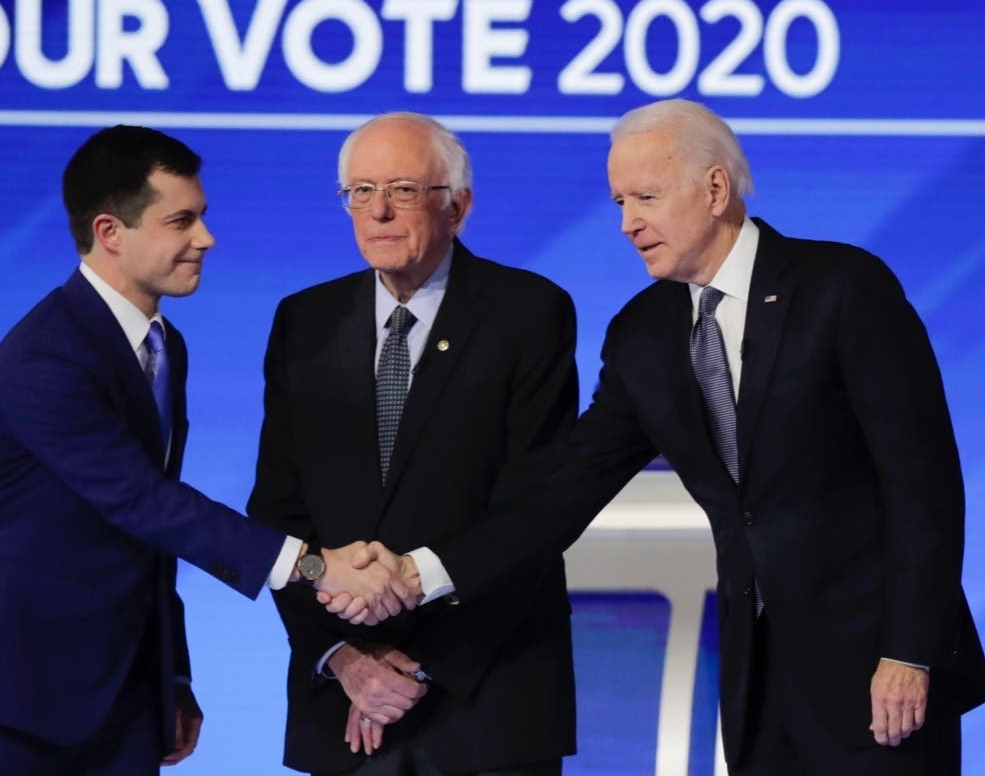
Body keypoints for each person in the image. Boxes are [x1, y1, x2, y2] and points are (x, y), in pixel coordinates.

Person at [338, 100, 985, 775]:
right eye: (618, 201)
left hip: (877, 669)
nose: (626, 223)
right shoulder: (643, 334)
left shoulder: (841, 289)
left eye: (644, 196)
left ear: (714, 189)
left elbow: (923, 484)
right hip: (755, 683)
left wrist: (908, 651)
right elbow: (562, 489)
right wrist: (421, 571)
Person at [0, 125, 408, 776]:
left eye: (202, 217)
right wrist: (317, 565)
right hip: (2, 695)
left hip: (120, 696)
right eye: (181, 220)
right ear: (110, 231)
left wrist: (170, 673)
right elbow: (142, 500)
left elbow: (148, 539)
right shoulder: (48, 354)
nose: (205, 238)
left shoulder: (162, 346)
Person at [246, 112, 579, 775]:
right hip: (342, 706)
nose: (378, 211)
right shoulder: (303, 321)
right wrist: (341, 657)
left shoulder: (528, 312)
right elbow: (278, 514)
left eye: (402, 189)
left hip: (485, 699)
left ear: (457, 204)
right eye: (359, 191)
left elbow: (537, 511)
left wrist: (424, 668)